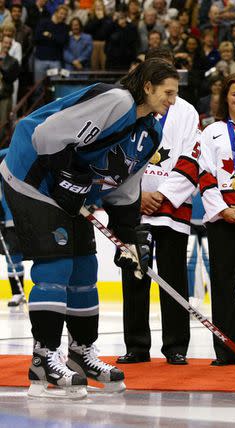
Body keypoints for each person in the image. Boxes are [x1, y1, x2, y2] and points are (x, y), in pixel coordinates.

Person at [0, 58, 179, 399]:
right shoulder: (117, 101)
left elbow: (126, 189)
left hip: (69, 193)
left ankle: (81, 354)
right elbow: (45, 133)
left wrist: (127, 240)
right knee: (56, 264)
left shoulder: (151, 132)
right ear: (148, 87)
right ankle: (43, 361)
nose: (172, 101)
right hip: (31, 177)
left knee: (84, 266)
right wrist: (69, 174)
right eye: (168, 93)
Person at [157, 73, 235, 365]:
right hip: (220, 216)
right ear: (225, 98)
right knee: (223, 283)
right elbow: (204, 174)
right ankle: (225, 352)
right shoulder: (211, 132)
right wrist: (223, 209)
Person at [117, 48, 199, 366]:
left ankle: (176, 346)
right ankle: (137, 346)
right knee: (134, 276)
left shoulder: (187, 112)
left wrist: (161, 195)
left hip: (172, 212)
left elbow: (192, 159)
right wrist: (137, 195)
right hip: (134, 207)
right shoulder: (131, 109)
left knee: (174, 277)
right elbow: (118, 155)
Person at [0, 148, 25, 307]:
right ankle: (17, 293)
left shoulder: (38, 149)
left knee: (45, 256)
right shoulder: (4, 155)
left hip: (36, 216)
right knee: (13, 257)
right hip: (11, 219)